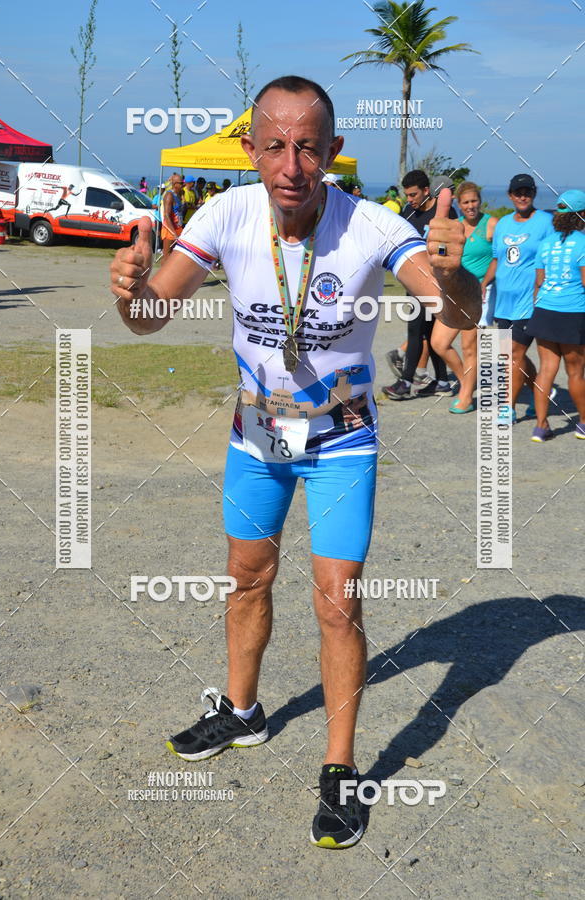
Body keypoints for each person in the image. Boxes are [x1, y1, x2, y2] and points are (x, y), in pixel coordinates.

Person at [110, 74, 480, 850]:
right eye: (274, 145)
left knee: (336, 601)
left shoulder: (374, 225)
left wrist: (456, 279)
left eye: (307, 147)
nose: (290, 164)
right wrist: (129, 291)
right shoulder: (224, 212)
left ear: (333, 152)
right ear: (250, 149)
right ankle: (241, 711)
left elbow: (448, 305)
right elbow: (149, 317)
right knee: (246, 576)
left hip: (342, 437)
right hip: (258, 437)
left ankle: (340, 768)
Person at [481, 173, 555, 423]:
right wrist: (483, 283)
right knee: (513, 355)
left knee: (512, 353)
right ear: (510, 195)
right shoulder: (502, 224)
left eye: (527, 192)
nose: (522, 196)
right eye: (517, 192)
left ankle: (507, 408)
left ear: (534, 194)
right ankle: (538, 394)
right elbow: (496, 259)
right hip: (504, 302)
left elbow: (554, 255)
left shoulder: (546, 222)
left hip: (530, 300)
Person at [383, 169, 458, 400]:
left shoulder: (445, 212)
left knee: (417, 332)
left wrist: (439, 258)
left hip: (437, 285)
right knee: (424, 332)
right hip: (414, 283)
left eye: (414, 195)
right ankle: (443, 381)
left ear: (427, 191)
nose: (410, 200)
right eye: (407, 195)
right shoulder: (407, 212)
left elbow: (450, 245)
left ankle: (405, 383)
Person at [431, 181, 499, 412]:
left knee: (469, 347)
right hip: (454, 292)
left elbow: (498, 259)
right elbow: (442, 253)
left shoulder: (491, 224)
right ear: (458, 204)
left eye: (474, 201)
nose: (471, 206)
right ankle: (466, 382)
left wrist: (487, 282)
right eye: (466, 202)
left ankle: (466, 397)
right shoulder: (454, 225)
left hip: (479, 292)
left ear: (479, 201)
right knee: (438, 343)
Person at [525, 190, 585, 441]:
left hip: (545, 310)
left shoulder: (546, 243)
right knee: (576, 372)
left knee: (546, 370)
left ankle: (541, 426)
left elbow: (539, 280)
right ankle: (583, 423)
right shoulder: (583, 242)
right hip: (572, 312)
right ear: (581, 215)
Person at [160, 174, 184, 263]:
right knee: (167, 255)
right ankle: (163, 276)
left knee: (174, 255)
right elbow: (166, 215)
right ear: (175, 184)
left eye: (183, 183)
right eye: (181, 183)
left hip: (177, 227)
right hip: (169, 229)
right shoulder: (169, 195)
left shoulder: (179, 195)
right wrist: (173, 232)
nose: (183, 185)